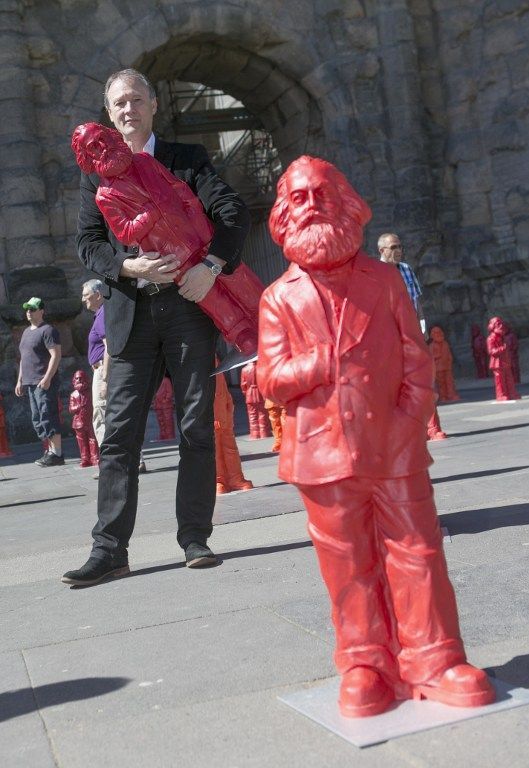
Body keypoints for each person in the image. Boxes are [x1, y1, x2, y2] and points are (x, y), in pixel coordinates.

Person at [257, 155, 494, 718]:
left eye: (322, 193)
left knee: (418, 550)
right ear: (283, 216)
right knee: (347, 564)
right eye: (299, 197)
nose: (312, 205)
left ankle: (434, 658)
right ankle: (364, 662)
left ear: (345, 201)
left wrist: (410, 426)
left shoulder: (385, 281)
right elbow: (270, 377)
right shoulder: (278, 298)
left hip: (394, 447)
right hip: (321, 453)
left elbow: (416, 363)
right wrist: (313, 365)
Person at [62, 68, 250, 586]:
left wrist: (209, 268)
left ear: (153, 105)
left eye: (136, 100)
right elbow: (88, 243)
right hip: (130, 313)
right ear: (110, 112)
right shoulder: (94, 174)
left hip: (189, 309)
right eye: (119, 103)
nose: (128, 110)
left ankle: (195, 537)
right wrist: (127, 266)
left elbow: (232, 214)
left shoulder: (187, 159)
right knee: (119, 435)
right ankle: (109, 549)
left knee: (195, 427)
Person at [82, 279, 146, 476]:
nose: (83, 299)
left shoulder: (102, 314)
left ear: (98, 295)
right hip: (104, 369)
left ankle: (112, 464)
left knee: (101, 417)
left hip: (103, 370)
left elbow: (109, 346)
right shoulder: (104, 313)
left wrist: (105, 378)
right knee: (118, 416)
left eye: (86, 295)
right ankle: (134, 460)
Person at [15, 297, 64, 467]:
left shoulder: (48, 330)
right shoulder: (27, 332)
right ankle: (50, 451)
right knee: (39, 419)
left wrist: (47, 377)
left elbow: (56, 355)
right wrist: (20, 380)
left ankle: (57, 453)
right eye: (27, 309)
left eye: (33, 309)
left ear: (41, 311)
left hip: (43, 381)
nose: (29, 312)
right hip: (30, 382)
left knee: (48, 415)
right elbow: (23, 358)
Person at [378, 232, 425, 332]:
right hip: (390, 331)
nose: (399, 251)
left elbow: (416, 299)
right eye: (393, 247)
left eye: (400, 247)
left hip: (412, 328)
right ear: (382, 251)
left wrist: (422, 325)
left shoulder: (406, 269)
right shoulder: (375, 274)